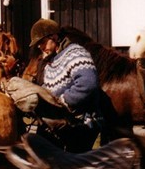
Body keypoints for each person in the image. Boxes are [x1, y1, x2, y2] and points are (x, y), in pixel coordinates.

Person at [28, 19, 102, 152]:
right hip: (61, 123)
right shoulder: (51, 61)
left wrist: (62, 101)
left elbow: (88, 83)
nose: (40, 47)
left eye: (42, 42)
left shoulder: (75, 53)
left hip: (80, 124)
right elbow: (50, 87)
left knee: (70, 164)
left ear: (54, 37)